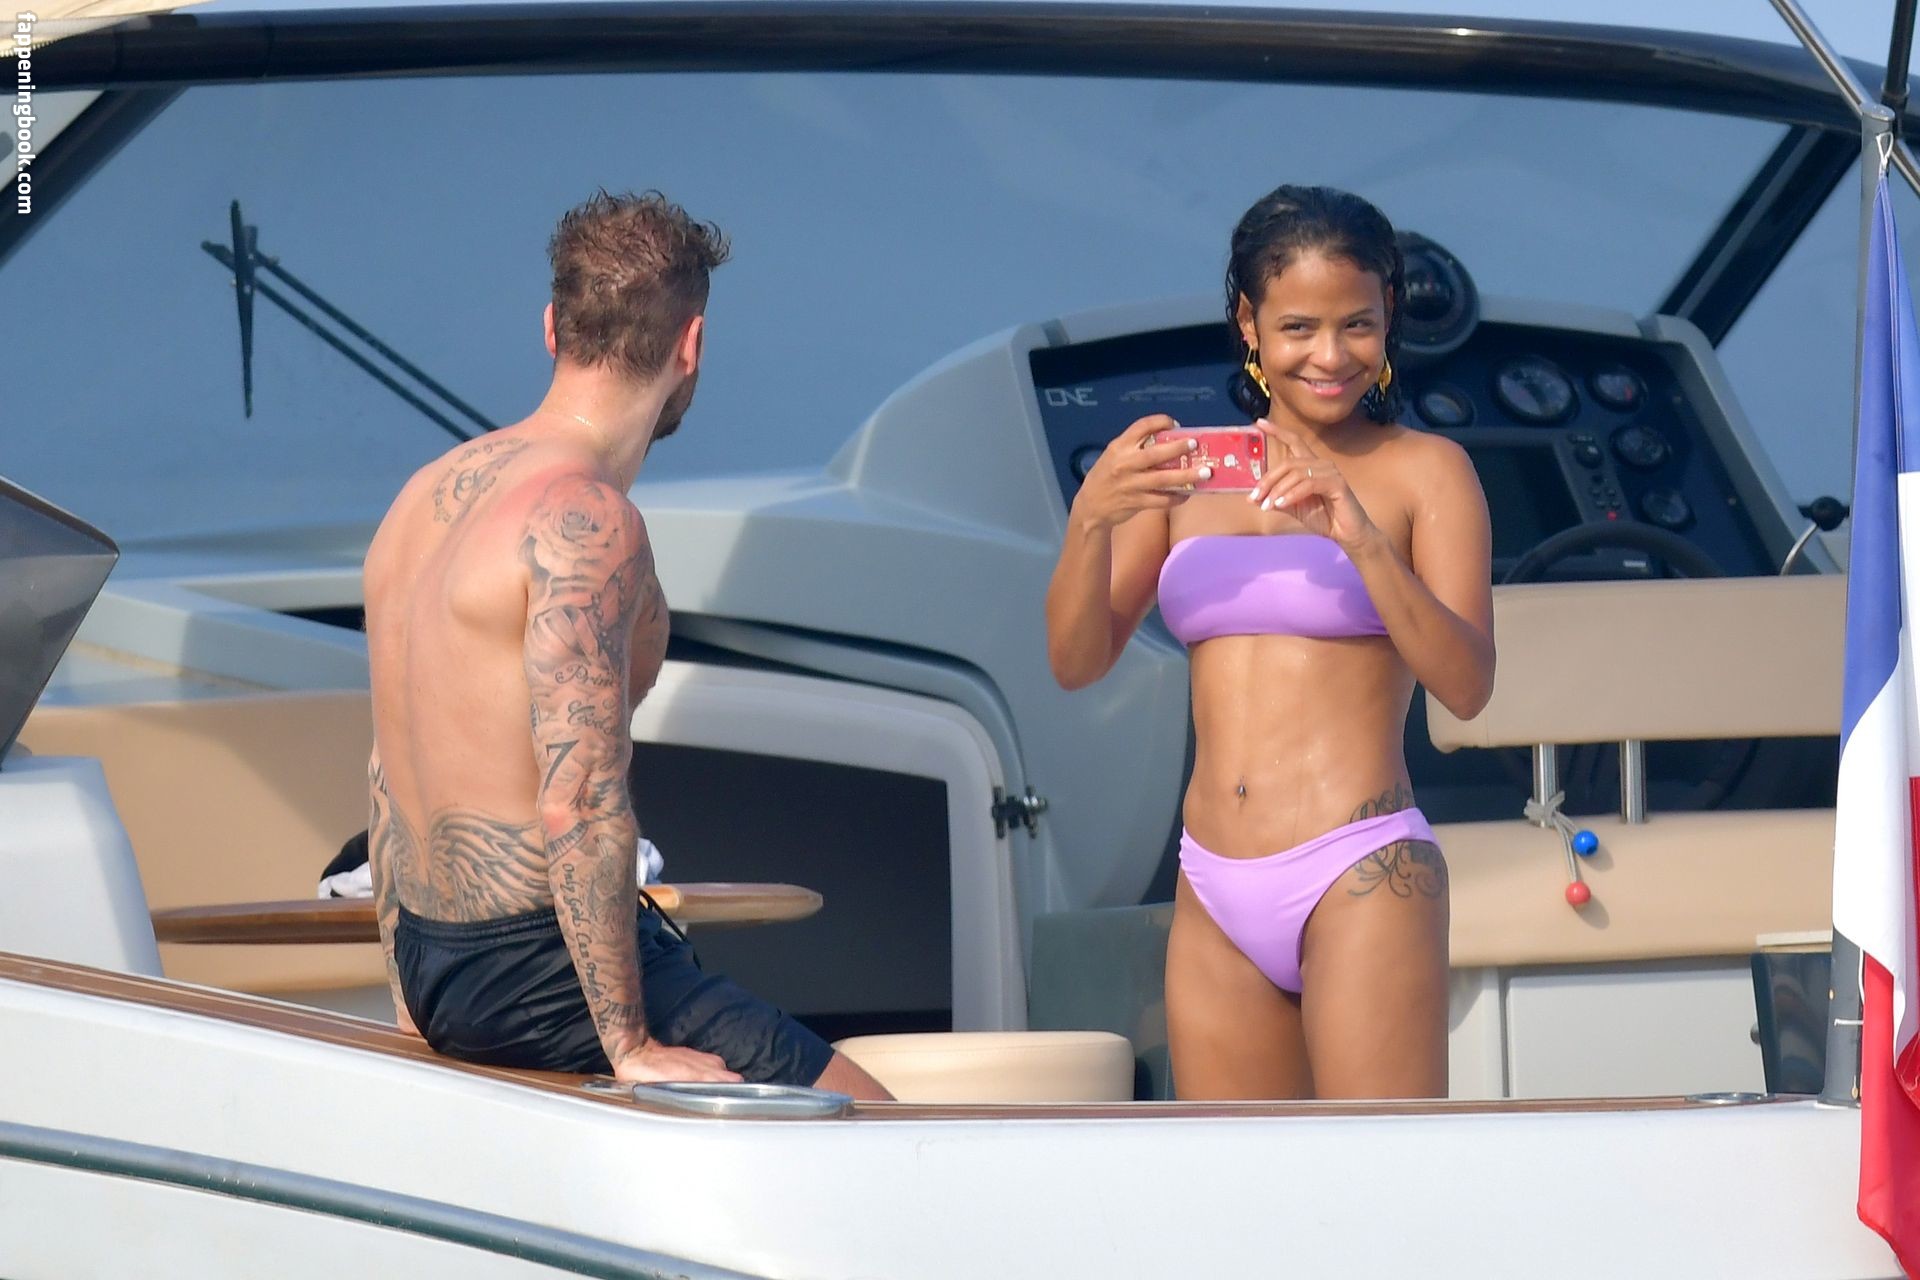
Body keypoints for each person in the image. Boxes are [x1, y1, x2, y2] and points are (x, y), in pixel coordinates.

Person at [362, 190, 889, 1099]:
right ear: (692, 346)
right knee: (873, 1117)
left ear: (552, 328)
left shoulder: (423, 497)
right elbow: (582, 798)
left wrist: (410, 991)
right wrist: (629, 1043)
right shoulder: (585, 522)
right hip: (540, 970)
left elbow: (385, 766)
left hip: (435, 955)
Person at [1044, 185, 1494, 1100]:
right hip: (1212, 881)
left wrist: (1360, 538)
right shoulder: (1184, 476)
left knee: (1379, 1169)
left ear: (1390, 314)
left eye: (1357, 325)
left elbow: (1467, 684)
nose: (1331, 356)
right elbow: (1076, 662)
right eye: (1298, 328)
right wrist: (1091, 519)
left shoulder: (1427, 472)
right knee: (1238, 1177)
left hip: (1360, 867)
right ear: (1249, 324)